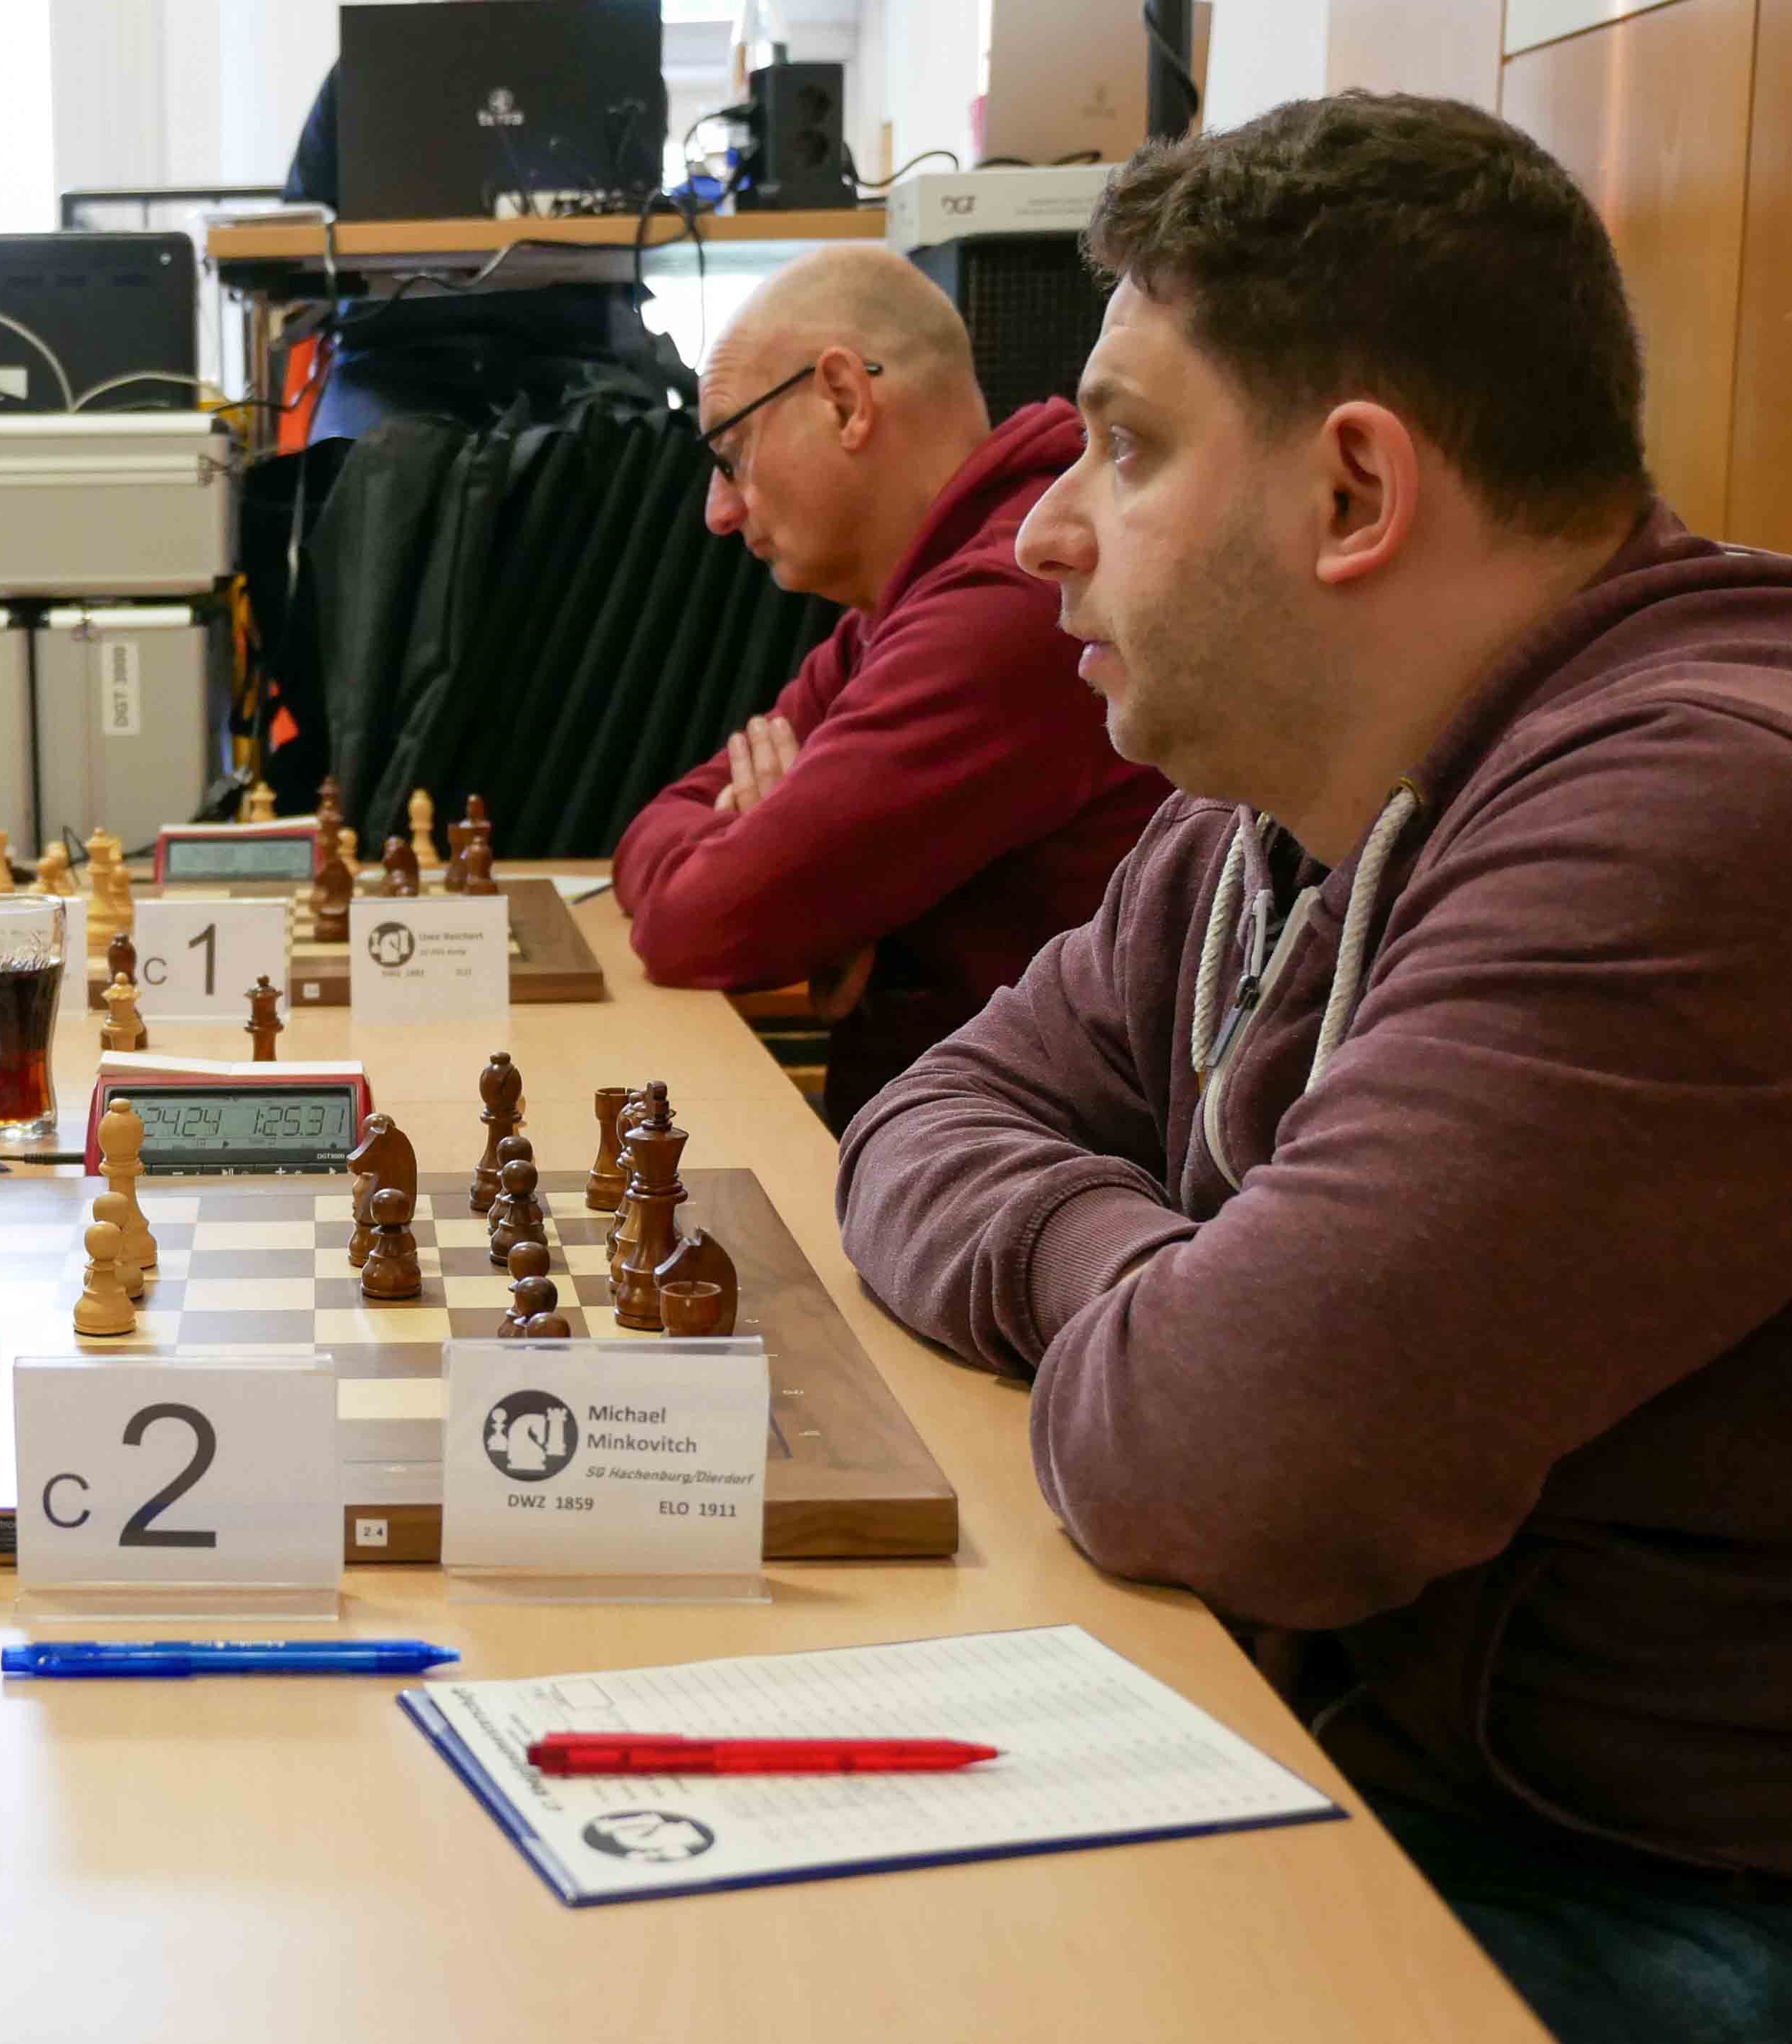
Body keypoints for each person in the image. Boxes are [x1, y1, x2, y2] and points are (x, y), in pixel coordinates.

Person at [835, 95, 1792, 2043]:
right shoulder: (1262, 808)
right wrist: (1147, 1272)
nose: (1041, 531)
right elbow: (918, 1118)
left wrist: (1173, 1323)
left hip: (1649, 1889)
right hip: (1336, 1745)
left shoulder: (1698, 816)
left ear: (1352, 492)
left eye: (1125, 445)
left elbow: (1222, 1457)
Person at [612, 247, 1165, 1126]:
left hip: (1015, 1165)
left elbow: (694, 923)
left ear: (844, 399)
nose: (718, 512)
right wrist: (782, 877)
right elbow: (654, 832)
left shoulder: (1006, 605)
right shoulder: (898, 607)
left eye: (732, 453)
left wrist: (779, 884)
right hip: (931, 1146)